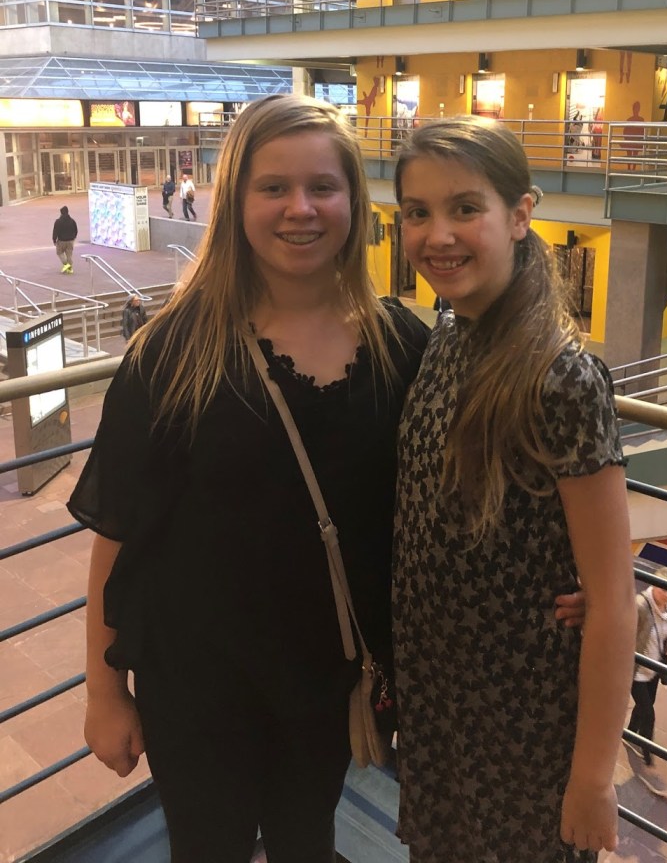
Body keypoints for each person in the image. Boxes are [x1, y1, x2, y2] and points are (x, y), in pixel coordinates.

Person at [67, 96, 432, 863]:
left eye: (323, 186)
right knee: (207, 848)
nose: (301, 208)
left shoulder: (402, 347)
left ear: (353, 201)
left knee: (307, 840)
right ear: (236, 201)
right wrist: (104, 692)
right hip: (195, 688)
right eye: (274, 188)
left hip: (329, 682)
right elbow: (118, 538)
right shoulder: (173, 353)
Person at [392, 118, 637, 863]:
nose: (439, 235)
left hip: (524, 733)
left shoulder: (562, 378)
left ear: (520, 215)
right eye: (417, 212)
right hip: (443, 714)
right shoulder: (447, 335)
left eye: (466, 208)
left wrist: (592, 777)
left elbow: (612, 599)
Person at [625, 566, 667, 766]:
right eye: (664, 590)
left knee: (646, 704)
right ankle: (647, 754)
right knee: (649, 714)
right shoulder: (640, 606)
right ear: (654, 585)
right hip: (636, 670)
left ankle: (630, 733)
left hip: (653, 670)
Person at [52, 204, 78, 274]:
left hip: (61, 241)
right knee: (69, 255)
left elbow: (55, 231)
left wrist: (54, 240)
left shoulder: (58, 221)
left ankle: (66, 265)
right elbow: (76, 230)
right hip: (70, 241)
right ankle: (70, 268)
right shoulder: (72, 221)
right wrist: (73, 237)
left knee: (59, 253)